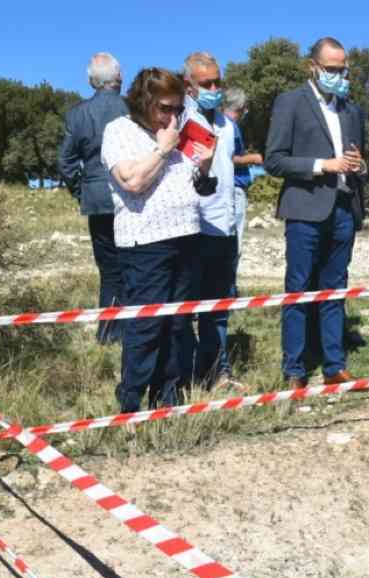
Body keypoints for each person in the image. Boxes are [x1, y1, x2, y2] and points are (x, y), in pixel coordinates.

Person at [101, 67, 215, 413]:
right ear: (144, 102)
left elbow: (201, 187)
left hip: (188, 238)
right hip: (145, 244)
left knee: (178, 324)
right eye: (165, 108)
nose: (172, 116)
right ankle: (131, 402)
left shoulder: (181, 131)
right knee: (146, 325)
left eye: (178, 109)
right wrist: (163, 150)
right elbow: (132, 182)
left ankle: (168, 395)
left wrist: (206, 167)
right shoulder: (119, 131)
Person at [264, 36, 368, 392]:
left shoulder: (352, 109)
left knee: (335, 290)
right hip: (305, 210)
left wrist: (360, 166)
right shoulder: (290, 102)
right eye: (332, 69)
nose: (340, 75)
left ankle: (334, 365)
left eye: (344, 69)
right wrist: (324, 165)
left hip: (343, 210)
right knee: (298, 290)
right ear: (314, 67)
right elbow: (274, 160)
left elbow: (359, 159)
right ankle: (294, 368)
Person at [179, 52, 241, 392]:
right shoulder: (180, 124)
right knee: (188, 308)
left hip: (224, 229)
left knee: (218, 308)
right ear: (189, 87)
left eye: (218, 82)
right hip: (192, 230)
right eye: (206, 84)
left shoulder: (227, 125)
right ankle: (186, 374)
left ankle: (218, 371)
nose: (214, 89)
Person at [58, 52, 129, 344]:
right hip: (134, 196)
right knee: (135, 266)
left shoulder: (77, 114)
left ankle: (108, 333)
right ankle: (134, 331)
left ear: (91, 81)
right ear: (120, 78)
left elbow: (66, 162)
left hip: (98, 199)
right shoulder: (134, 109)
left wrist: (81, 190)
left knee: (109, 270)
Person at [224, 87, 261, 287]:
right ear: (241, 107)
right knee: (234, 245)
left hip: (230, 190)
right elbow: (230, 158)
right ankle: (228, 291)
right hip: (234, 189)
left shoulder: (223, 125)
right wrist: (253, 158)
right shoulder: (231, 127)